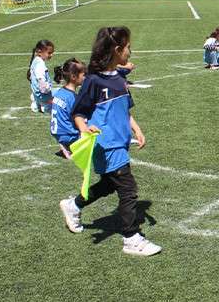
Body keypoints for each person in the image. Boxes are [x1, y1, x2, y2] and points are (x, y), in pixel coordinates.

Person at [58, 26, 161, 256]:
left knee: (108, 185)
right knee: (128, 189)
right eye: (128, 47)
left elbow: (125, 109)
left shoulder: (119, 79)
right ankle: (131, 238)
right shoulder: (93, 81)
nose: (130, 51)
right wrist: (85, 128)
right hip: (107, 145)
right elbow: (78, 112)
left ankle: (73, 205)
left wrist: (136, 129)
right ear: (117, 50)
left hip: (120, 141)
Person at [50, 58, 86, 159]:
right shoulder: (72, 98)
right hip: (69, 136)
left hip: (58, 133)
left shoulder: (60, 92)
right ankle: (70, 146)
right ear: (74, 77)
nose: (85, 77)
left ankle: (64, 146)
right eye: (83, 75)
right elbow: (79, 120)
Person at [28, 39, 55, 113]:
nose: (51, 55)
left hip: (36, 92)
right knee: (61, 94)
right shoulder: (40, 65)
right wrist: (49, 93)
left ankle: (36, 103)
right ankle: (45, 106)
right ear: (40, 52)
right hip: (43, 95)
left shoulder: (36, 60)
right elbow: (42, 84)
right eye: (49, 53)